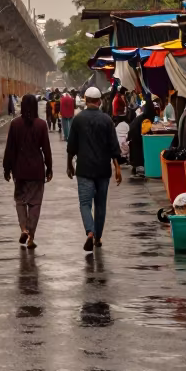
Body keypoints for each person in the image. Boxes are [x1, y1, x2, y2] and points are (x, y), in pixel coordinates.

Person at [67, 85, 122, 251]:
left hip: (84, 169)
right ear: (99, 101)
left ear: (85, 100)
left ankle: (90, 232)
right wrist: (117, 167)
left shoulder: (78, 119)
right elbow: (114, 146)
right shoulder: (107, 120)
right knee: (100, 205)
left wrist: (69, 164)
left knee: (85, 203)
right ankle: (98, 238)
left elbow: (72, 146)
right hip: (103, 169)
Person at [2, 93, 52, 249]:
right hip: (37, 170)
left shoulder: (15, 124)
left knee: (20, 201)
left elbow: (10, 148)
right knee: (35, 203)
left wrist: (7, 168)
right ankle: (30, 236)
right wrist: (49, 168)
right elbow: (46, 149)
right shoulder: (41, 125)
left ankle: (23, 228)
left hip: (19, 170)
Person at [126, 97, 155, 176]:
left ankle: (136, 167)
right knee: (138, 150)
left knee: (135, 150)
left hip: (133, 132)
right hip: (135, 134)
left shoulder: (143, 116)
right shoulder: (147, 118)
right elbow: (145, 132)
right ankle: (139, 169)